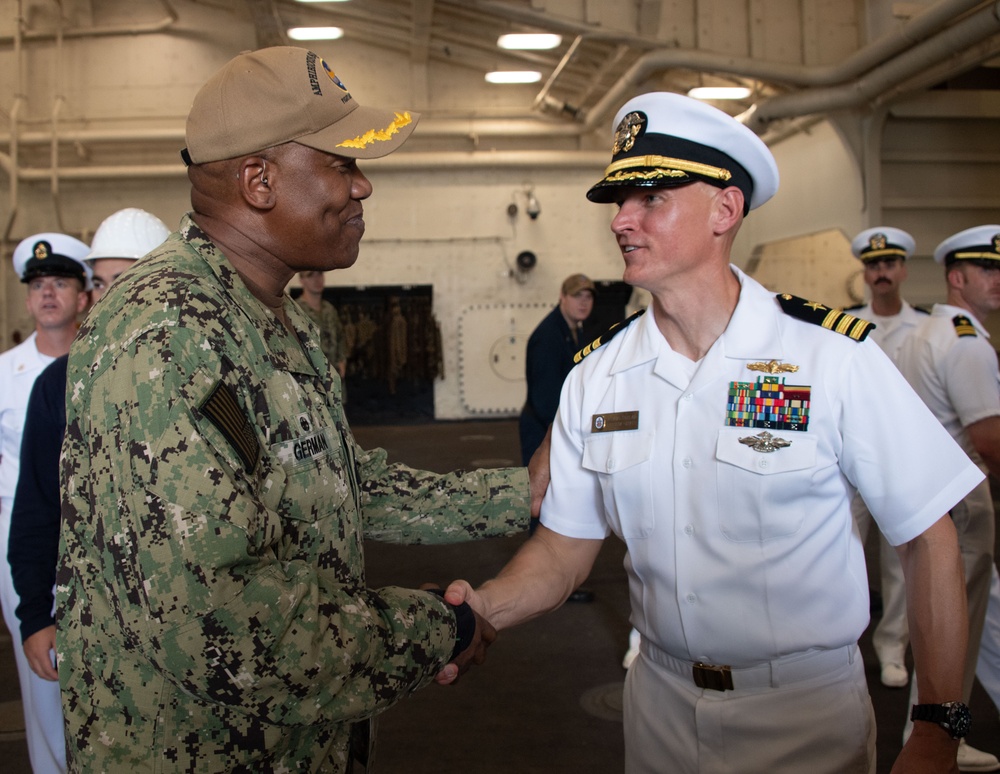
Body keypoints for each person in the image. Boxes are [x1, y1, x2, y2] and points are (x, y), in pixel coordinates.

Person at [440, 92, 980, 774]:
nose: (622, 220)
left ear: (725, 210)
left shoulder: (830, 356)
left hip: (806, 720)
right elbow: (564, 549)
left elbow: (928, 532)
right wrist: (487, 606)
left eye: (651, 198)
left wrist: (937, 726)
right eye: (618, 201)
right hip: (659, 711)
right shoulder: (598, 376)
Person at [56, 46, 542, 773]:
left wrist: (519, 495)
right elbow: (226, 626)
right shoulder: (164, 337)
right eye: (342, 164)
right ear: (259, 182)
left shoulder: (272, 317)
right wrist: (439, 627)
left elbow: (335, 482)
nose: (363, 185)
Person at [9, 207, 170, 695]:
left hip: (199, 618)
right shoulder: (59, 382)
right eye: (100, 283)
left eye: (123, 279)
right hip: (100, 620)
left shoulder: (209, 370)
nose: (106, 295)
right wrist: (35, 612)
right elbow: (37, 507)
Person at [896, 225, 1000, 772]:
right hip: (960, 494)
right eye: (988, 270)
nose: (999, 280)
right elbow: (989, 439)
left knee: (964, 621)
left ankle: (934, 732)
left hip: (930, 488)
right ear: (957, 277)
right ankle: (939, 740)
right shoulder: (965, 343)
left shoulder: (926, 331)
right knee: (954, 622)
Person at [0, 233, 90, 774]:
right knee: (41, 674)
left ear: (84, 296)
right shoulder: (3, 374)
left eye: (60, 282)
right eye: (38, 285)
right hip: (20, 536)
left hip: (89, 538)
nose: (48, 294)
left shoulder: (100, 365)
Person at [846, 226, 927, 690]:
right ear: (865, 273)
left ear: (903, 270)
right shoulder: (846, 324)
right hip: (854, 458)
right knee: (843, 549)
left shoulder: (928, 326)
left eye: (889, 264)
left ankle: (892, 646)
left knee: (901, 562)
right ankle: (842, 641)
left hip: (904, 460)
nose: (881, 272)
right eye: (874, 265)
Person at [519, 273, 595, 467]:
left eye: (588, 297)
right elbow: (545, 399)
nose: (583, 303)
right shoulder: (548, 337)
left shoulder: (574, 330)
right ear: (562, 296)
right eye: (577, 296)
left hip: (556, 427)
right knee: (542, 495)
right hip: (544, 430)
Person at [297, 269, 348, 378]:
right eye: (310, 275)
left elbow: (340, 337)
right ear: (302, 280)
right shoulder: (295, 310)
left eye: (319, 274)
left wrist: (342, 360)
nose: (317, 279)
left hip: (334, 377)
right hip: (310, 379)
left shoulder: (329, 310)